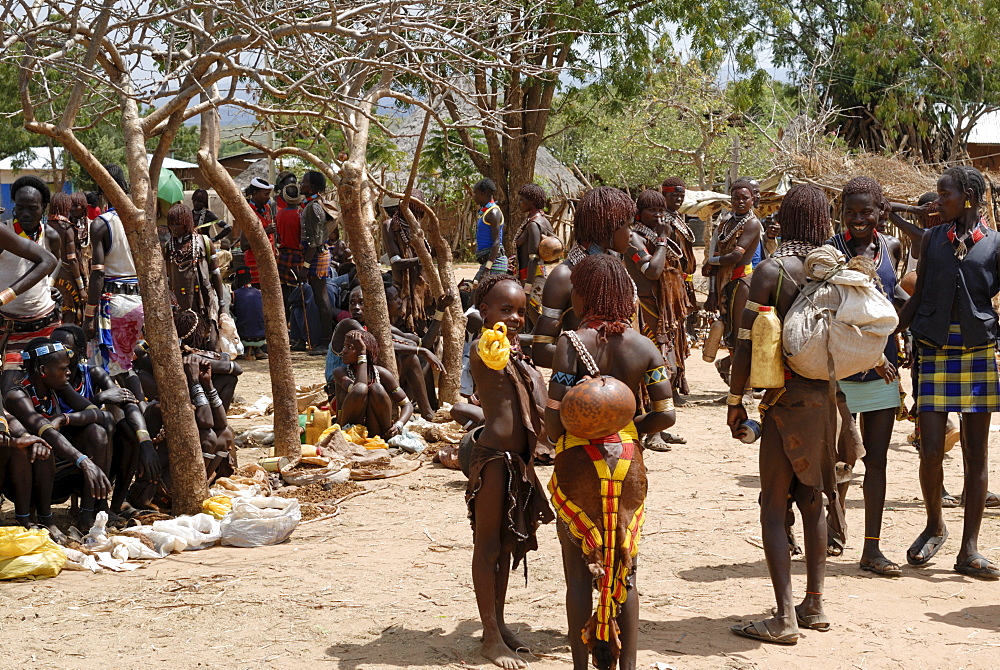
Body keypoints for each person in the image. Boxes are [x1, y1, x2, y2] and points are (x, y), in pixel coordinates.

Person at [725, 183, 866, 643]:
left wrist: (734, 402)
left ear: (784, 220)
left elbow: (745, 347)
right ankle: (815, 603)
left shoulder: (771, 272)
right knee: (814, 500)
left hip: (783, 403)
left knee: (772, 505)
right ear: (823, 222)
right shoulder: (835, 272)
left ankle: (784, 618)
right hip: (826, 400)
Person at [545, 254, 675, 670]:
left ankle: (582, 666)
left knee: (579, 573)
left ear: (582, 295)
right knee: (626, 565)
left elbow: (551, 425)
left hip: (577, 462)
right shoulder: (644, 345)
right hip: (628, 463)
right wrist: (629, 424)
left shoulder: (571, 343)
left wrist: (583, 423)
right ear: (626, 295)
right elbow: (667, 414)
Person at [897, 166, 1000, 580]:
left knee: (977, 455)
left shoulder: (994, 244)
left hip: (977, 352)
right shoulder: (932, 240)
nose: (937, 201)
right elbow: (917, 296)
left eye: (946, 195)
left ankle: (969, 548)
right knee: (931, 449)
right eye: (937, 195)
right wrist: (886, 336)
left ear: (969, 197)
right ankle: (934, 525)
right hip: (934, 350)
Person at [466, 273, 553, 669]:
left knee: (505, 545)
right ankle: (488, 637)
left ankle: (499, 625)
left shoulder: (517, 350)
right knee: (487, 546)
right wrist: (499, 336)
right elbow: (493, 352)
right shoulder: (487, 346)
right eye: (506, 310)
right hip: (493, 462)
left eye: (521, 311)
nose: (516, 318)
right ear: (485, 313)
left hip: (518, 464)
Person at [827, 177, 903, 575]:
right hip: (838, 374)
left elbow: (891, 304)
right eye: (851, 211)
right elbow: (832, 316)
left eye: (866, 212)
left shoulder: (890, 248)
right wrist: (872, 354)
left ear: (879, 212)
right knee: (837, 461)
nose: (858, 219)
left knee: (877, 461)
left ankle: (871, 549)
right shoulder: (829, 253)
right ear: (841, 212)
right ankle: (833, 529)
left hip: (883, 376)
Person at [4, 338, 114, 530]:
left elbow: (98, 414)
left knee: (97, 433)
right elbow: (45, 432)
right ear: (43, 371)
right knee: (44, 448)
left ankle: (87, 514)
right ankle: (45, 520)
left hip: (58, 469)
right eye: (63, 368)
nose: (69, 372)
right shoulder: (17, 396)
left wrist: (63, 418)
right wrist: (84, 461)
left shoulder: (59, 388)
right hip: (27, 478)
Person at [532, 187, 636, 368]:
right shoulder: (564, 277)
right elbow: (541, 351)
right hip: (584, 389)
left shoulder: (617, 269)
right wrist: (601, 361)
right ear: (608, 228)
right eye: (628, 225)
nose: (632, 233)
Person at [624, 189, 691, 450]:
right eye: (653, 210)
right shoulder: (633, 238)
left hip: (662, 310)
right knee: (655, 368)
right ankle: (651, 431)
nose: (659, 215)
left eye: (662, 210)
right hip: (643, 311)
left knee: (668, 367)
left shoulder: (653, 236)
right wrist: (663, 238)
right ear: (640, 212)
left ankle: (659, 427)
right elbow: (652, 271)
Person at [0, 176, 61, 391]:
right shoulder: (4, 233)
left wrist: (49, 284)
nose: (25, 214)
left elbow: (55, 261)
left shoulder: (51, 235)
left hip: (45, 322)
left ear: (44, 207)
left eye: (32, 208)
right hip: (10, 327)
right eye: (20, 208)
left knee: (49, 385)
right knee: (11, 391)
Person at [86, 164, 144, 376]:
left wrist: (88, 315)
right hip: (140, 303)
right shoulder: (141, 220)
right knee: (131, 365)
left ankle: (131, 407)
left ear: (102, 190)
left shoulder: (101, 224)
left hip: (114, 306)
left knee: (114, 371)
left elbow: (98, 273)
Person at [703, 179, 763, 381]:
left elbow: (735, 257)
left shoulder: (753, 223)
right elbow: (719, 253)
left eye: (745, 198)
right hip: (724, 284)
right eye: (736, 198)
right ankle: (736, 383)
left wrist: (711, 262)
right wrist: (712, 291)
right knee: (729, 333)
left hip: (741, 282)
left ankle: (744, 388)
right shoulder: (727, 223)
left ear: (752, 199)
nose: (740, 201)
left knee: (740, 335)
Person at [331, 329, 412, 438]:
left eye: (351, 348)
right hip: (349, 429)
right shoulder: (340, 373)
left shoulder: (382, 373)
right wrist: (362, 355)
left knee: (377, 388)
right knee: (360, 389)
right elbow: (359, 388)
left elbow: (407, 404)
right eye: (345, 346)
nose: (344, 351)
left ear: (366, 351)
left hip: (376, 430)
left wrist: (399, 425)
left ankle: (387, 435)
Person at [164, 204, 223, 352]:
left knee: (209, 337)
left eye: (178, 224)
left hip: (202, 300)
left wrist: (221, 305)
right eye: (171, 224)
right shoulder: (168, 247)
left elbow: (216, 274)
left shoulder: (204, 242)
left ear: (187, 223)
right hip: (179, 303)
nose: (173, 228)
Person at [383, 190, 433, 330]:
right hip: (403, 289)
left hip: (421, 288)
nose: (415, 217)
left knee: (424, 326)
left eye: (418, 214)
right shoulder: (390, 226)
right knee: (404, 326)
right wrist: (423, 259)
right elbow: (396, 263)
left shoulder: (416, 227)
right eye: (413, 212)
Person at [299, 171, 334, 353]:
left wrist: (305, 266)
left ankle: (326, 342)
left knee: (321, 299)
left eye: (303, 181)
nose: (300, 183)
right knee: (321, 298)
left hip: (316, 255)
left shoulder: (313, 207)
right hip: (316, 254)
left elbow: (314, 240)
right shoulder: (313, 204)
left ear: (311, 187)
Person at [513, 183, 555, 325]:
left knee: (535, 314)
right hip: (536, 274)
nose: (519, 203)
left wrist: (528, 286)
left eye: (522, 200)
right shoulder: (542, 220)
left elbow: (533, 258)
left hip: (531, 275)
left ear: (531, 202)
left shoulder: (534, 224)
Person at [48, 192, 86, 325]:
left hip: (48, 278)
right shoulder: (67, 228)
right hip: (67, 278)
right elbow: (72, 259)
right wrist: (81, 287)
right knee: (69, 315)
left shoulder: (44, 227)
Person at [241, 177, 275, 287]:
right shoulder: (248, 212)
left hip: (269, 260)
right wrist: (265, 232)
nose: (268, 197)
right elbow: (244, 245)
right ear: (255, 193)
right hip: (255, 264)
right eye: (265, 194)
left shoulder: (267, 208)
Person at [472, 179, 507, 283]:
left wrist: (487, 268)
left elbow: (496, 242)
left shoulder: (493, 212)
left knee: (475, 294)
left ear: (482, 194)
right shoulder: (486, 212)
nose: (474, 196)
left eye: (476, 194)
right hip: (488, 262)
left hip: (494, 263)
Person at [231, 267, 267, 361]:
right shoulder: (259, 293)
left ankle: (247, 349)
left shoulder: (235, 294)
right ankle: (257, 350)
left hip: (244, 337)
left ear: (237, 280)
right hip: (262, 338)